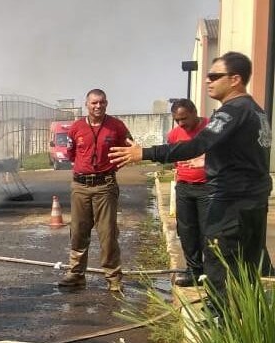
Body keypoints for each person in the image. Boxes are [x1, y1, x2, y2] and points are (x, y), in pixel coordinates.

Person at [109, 51, 273, 301]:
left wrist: (145, 152)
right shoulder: (255, 110)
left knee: (220, 262)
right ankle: (245, 316)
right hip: (253, 198)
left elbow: (198, 144)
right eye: (207, 76)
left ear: (235, 79)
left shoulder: (232, 111)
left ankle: (220, 317)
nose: (208, 80)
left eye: (215, 76)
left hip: (232, 201)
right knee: (246, 265)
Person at [57, 88, 130, 292]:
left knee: (107, 233)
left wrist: (110, 169)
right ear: (86, 104)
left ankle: (113, 276)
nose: (98, 106)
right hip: (80, 186)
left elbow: (127, 152)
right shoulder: (76, 127)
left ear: (107, 103)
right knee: (78, 231)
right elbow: (71, 153)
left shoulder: (116, 127)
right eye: (94, 103)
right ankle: (76, 274)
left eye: (102, 102)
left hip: (105, 186)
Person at [166, 99, 210, 287]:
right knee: (186, 231)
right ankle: (193, 270)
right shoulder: (174, 134)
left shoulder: (211, 127)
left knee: (208, 232)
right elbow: (174, 160)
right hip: (184, 187)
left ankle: (211, 272)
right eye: (177, 120)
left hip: (208, 188)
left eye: (184, 118)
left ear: (195, 112)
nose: (181, 123)